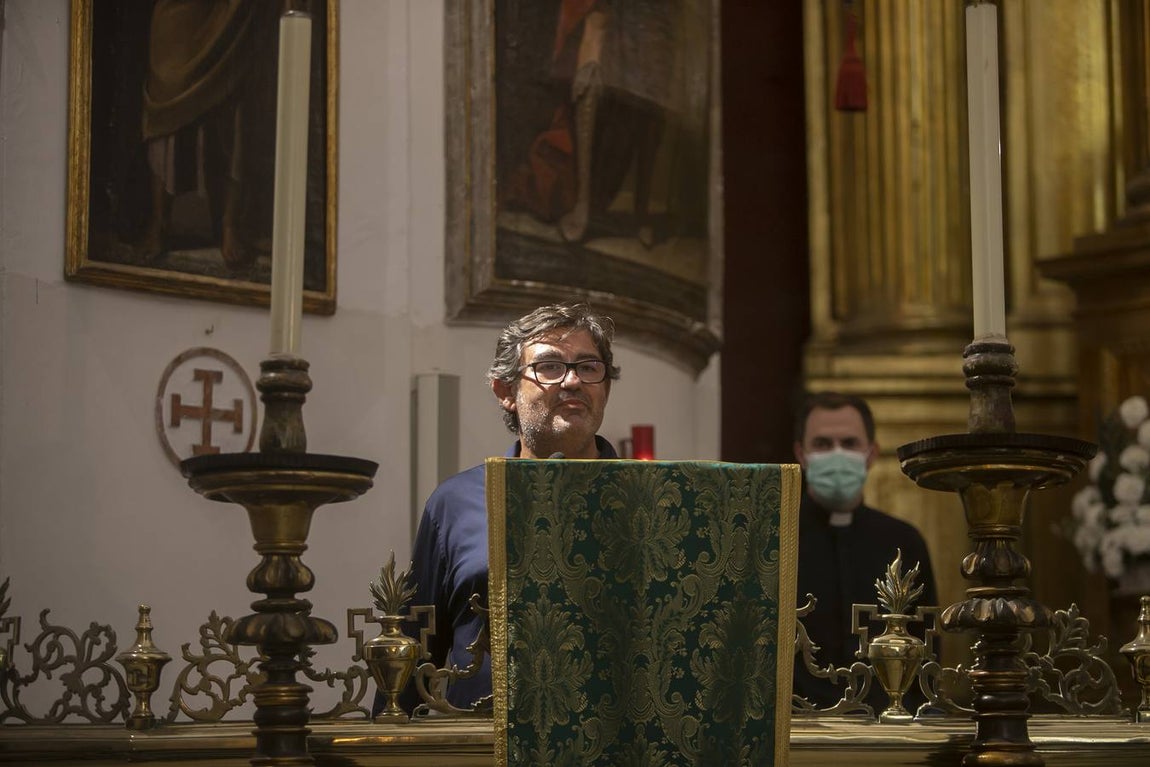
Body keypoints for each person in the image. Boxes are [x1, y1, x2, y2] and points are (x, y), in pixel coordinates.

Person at [379, 302, 621, 714]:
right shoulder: (455, 503)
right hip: (479, 743)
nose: (573, 381)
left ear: (605, 386)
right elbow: (415, 650)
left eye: (588, 367)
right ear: (505, 392)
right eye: (549, 367)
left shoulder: (652, 502)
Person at [792, 391, 937, 710]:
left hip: (887, 726)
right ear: (801, 454)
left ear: (871, 454)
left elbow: (928, 655)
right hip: (798, 724)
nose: (837, 453)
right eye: (822, 444)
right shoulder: (778, 537)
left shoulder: (904, 542)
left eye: (849, 443)